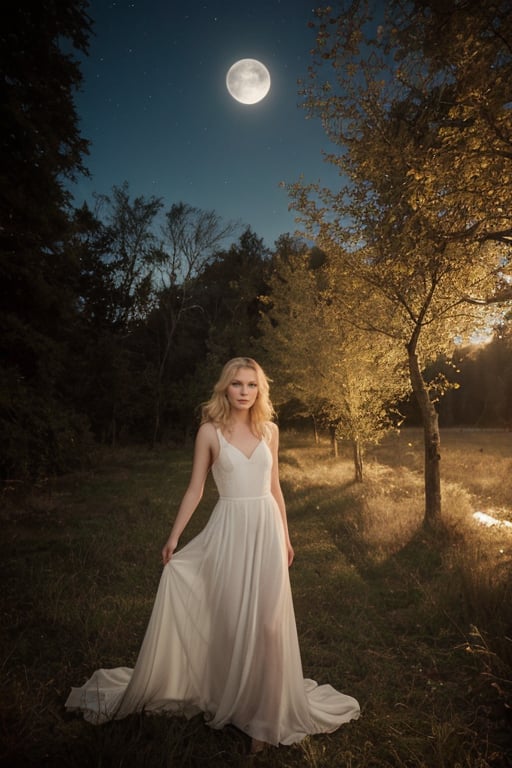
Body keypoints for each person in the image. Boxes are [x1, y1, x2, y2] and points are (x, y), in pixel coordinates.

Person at [65, 357, 360, 753]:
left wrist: (287, 537)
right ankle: (234, 695)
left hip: (267, 530)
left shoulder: (270, 430)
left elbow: (275, 489)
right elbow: (195, 490)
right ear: (225, 388)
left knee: (270, 627)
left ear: (260, 390)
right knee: (234, 621)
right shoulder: (209, 432)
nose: (243, 391)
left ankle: (264, 721)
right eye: (237, 384)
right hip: (231, 531)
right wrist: (174, 538)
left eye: (251, 385)